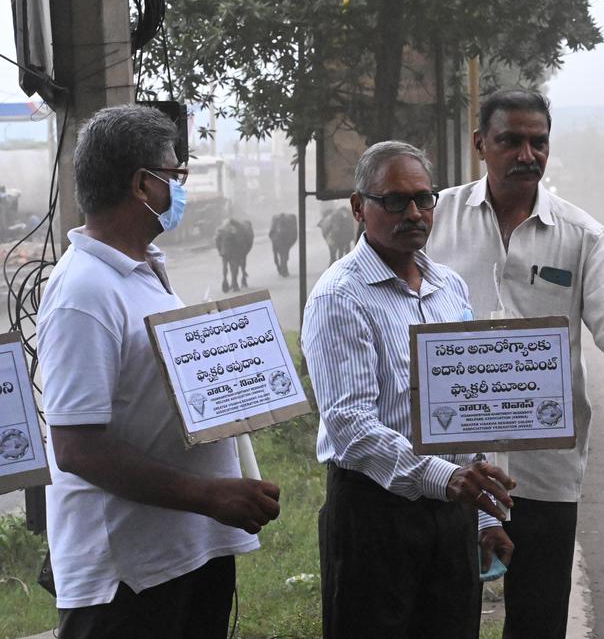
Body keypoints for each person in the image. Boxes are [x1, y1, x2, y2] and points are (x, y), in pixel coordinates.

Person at [426, 89, 604, 639]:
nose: (527, 154)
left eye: (538, 142)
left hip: (544, 473)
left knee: (537, 621)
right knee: (443, 617)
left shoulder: (582, 237)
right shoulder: (433, 218)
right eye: (510, 141)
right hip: (448, 467)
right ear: (480, 144)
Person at [37, 104, 281, 639]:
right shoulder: (84, 293)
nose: (182, 187)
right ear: (143, 185)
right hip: (127, 581)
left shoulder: (143, 271)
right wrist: (210, 495)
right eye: (177, 175)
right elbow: (78, 447)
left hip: (186, 553)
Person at [302, 140, 516, 639]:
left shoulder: (449, 287)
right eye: (395, 201)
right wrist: (445, 478)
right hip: (373, 515)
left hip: (452, 511)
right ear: (359, 208)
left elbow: (468, 403)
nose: (414, 213)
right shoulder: (340, 297)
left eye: (424, 198)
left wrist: (484, 520)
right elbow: (352, 429)